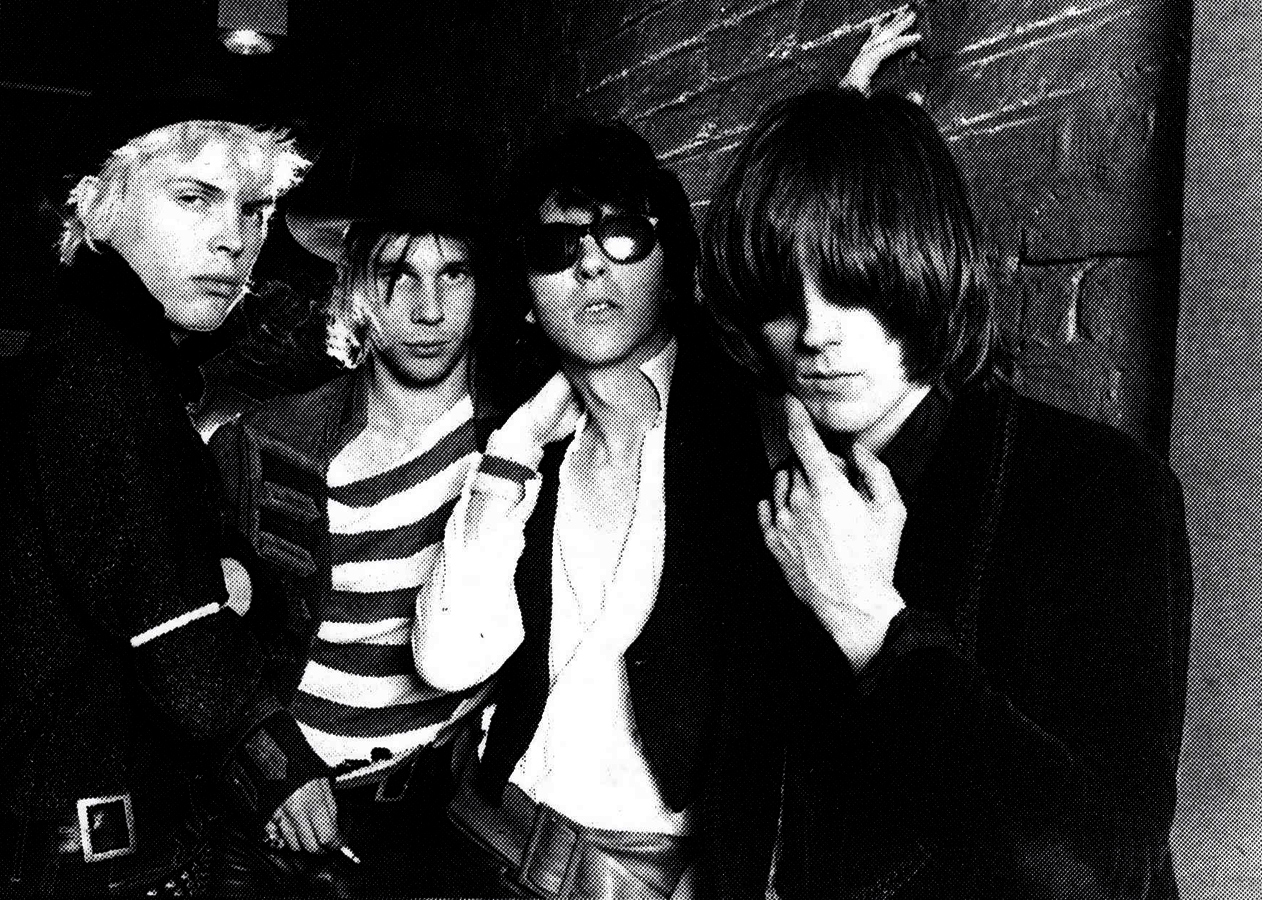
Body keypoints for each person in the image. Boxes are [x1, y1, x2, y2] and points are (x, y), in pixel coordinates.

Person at [699, 86, 1194, 898]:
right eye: (782, 298)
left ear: (922, 268)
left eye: (850, 283)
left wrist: (875, 627)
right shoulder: (786, 504)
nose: (816, 331)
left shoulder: (1098, 490)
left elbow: (1103, 874)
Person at [410, 117, 798, 899]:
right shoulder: (530, 451)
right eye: (556, 247)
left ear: (671, 265)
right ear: (526, 296)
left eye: (623, 234)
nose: (590, 264)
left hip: (652, 876)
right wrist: (512, 453)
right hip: (489, 843)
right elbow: (448, 660)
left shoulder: (751, 428)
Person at [0, 78, 329, 897]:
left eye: (254, 210)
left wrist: (230, 576)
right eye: (194, 198)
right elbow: (172, 628)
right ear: (98, 207)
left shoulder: (120, 365)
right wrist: (283, 769)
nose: (233, 240)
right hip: (83, 860)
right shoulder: (98, 377)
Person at [205, 125, 522, 897]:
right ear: (353, 284)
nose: (427, 309)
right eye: (397, 274)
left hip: (449, 837)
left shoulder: (526, 441)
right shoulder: (264, 444)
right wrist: (267, 769)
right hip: (277, 834)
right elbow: (191, 642)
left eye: (454, 274)